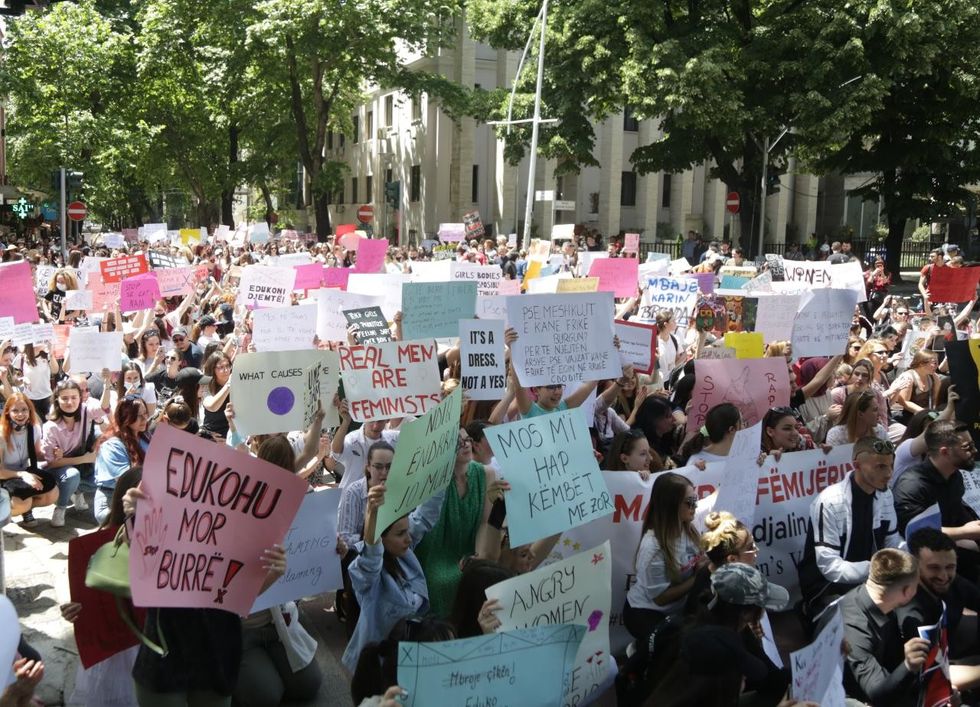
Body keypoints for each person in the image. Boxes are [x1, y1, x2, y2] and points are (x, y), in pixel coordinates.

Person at [646, 563, 791, 707]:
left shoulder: (707, 627)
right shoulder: (713, 649)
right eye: (741, 674)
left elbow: (770, 677)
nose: (744, 678)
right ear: (746, 613)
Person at [342, 481, 446, 672]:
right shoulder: (367, 573)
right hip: (379, 668)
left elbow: (425, 516)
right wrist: (372, 514)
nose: (409, 538)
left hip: (410, 656)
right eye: (400, 534)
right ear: (381, 537)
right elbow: (371, 555)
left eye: (407, 530)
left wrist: (442, 469)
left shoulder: (404, 553)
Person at [799, 437, 902, 620]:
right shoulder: (830, 501)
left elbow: (893, 542)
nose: (889, 474)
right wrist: (878, 569)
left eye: (891, 466)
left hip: (871, 582)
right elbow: (830, 567)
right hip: (827, 589)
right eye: (880, 467)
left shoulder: (885, 495)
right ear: (857, 465)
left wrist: (904, 563)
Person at [414, 427, 492, 617]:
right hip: (436, 552)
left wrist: (479, 556)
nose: (465, 445)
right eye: (457, 442)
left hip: (470, 548)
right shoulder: (434, 478)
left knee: (484, 575)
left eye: (466, 439)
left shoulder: (486, 473)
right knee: (443, 581)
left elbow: (484, 522)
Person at [623, 472, 704, 656]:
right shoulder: (653, 547)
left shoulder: (688, 528)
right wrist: (698, 577)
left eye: (695, 499)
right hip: (645, 612)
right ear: (672, 506)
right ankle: (640, 656)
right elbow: (660, 598)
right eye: (689, 502)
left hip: (676, 609)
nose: (695, 506)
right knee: (677, 646)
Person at [837, 548, 930, 707]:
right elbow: (878, 694)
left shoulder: (882, 602)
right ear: (907, 591)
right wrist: (908, 666)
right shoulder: (855, 630)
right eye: (917, 584)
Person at [893, 421, 980, 582]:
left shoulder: (954, 476)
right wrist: (965, 532)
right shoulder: (912, 486)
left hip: (954, 553)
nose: (974, 451)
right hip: (925, 571)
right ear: (945, 452)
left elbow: (958, 514)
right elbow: (915, 534)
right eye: (967, 448)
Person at [898, 528, 980, 691]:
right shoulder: (912, 614)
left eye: (950, 567)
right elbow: (937, 676)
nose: (943, 576)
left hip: (953, 642)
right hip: (936, 671)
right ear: (914, 565)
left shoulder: (952, 582)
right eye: (934, 568)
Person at [42, 380, 103, 525]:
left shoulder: (85, 411)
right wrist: (85, 459)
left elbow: (103, 409)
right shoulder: (51, 426)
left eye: (74, 397)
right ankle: (60, 508)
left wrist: (106, 384)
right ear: (57, 399)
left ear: (80, 398)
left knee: (103, 476)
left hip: (78, 462)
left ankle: (75, 491)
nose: (70, 402)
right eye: (64, 398)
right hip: (55, 469)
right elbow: (52, 462)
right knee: (72, 476)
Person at [0, 393, 57, 528]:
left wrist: (52, 453)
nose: (20, 414)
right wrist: (22, 474)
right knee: (22, 503)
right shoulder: (1, 434)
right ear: (7, 412)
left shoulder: (34, 429)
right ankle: (17, 508)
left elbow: (37, 455)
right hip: (6, 476)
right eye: (15, 410)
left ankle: (26, 506)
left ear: (30, 410)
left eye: (24, 410)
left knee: (52, 493)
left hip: (24, 473)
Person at [93, 397, 150, 524]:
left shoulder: (145, 437)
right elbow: (127, 482)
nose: (145, 418)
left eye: (145, 413)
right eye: (138, 416)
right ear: (126, 418)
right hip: (113, 501)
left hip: (139, 496)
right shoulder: (112, 445)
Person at [887, 351, 941, 425]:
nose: (937, 365)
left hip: (924, 414)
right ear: (921, 363)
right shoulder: (908, 377)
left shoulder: (934, 377)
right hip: (905, 414)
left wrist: (934, 413)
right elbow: (904, 402)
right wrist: (925, 413)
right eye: (934, 363)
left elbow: (935, 398)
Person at [200, 352, 232, 440]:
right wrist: (228, 385)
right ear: (212, 369)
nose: (226, 370)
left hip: (232, 436)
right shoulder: (206, 384)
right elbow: (212, 406)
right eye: (221, 367)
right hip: (212, 436)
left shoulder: (236, 382)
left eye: (228, 366)